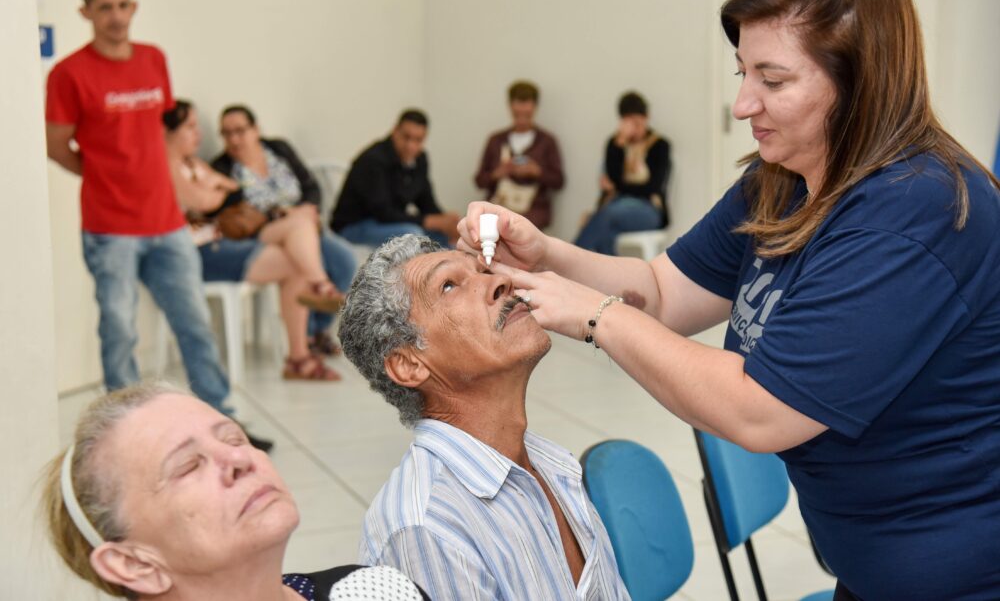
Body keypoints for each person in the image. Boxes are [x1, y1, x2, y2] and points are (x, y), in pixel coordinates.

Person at [458, 0, 1000, 600]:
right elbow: (661, 292)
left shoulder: (916, 210)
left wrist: (598, 316)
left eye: (773, 81)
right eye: (743, 73)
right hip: (873, 567)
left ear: (862, 81)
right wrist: (547, 254)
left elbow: (761, 410)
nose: (744, 104)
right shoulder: (781, 180)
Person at [44, 0, 270, 449]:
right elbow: (57, 145)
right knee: (120, 333)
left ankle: (222, 422)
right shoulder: (69, 74)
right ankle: (126, 441)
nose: (116, 16)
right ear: (86, 13)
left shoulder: (153, 60)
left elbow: (160, 137)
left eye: (123, 5)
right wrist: (103, 173)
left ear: (133, 7)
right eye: (104, 7)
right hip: (110, 228)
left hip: (166, 222)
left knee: (194, 325)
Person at [339, 235, 630, 601]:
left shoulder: (551, 464)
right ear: (409, 364)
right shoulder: (427, 527)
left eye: (482, 270)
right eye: (449, 285)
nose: (501, 282)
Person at [41, 383, 430, 600]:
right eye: (189, 466)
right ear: (135, 564)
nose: (239, 460)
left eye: (233, 438)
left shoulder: (377, 592)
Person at [164, 101, 339, 381]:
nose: (198, 134)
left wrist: (216, 187)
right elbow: (204, 200)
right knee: (300, 242)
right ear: (169, 132)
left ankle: (299, 356)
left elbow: (231, 188)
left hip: (220, 243)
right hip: (198, 253)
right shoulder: (167, 164)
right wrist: (213, 188)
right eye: (190, 127)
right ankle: (319, 289)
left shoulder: (192, 163)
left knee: (298, 253)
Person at [211, 104, 357, 358]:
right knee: (304, 253)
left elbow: (310, 185)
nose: (233, 139)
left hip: (304, 229)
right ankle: (318, 295)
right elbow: (232, 215)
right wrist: (281, 215)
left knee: (343, 259)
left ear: (255, 129)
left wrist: (308, 209)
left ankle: (317, 329)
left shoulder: (279, 149)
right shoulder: (223, 168)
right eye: (226, 133)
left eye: (239, 131)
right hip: (265, 236)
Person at [330, 110, 460, 247]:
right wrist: (430, 221)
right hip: (354, 225)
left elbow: (426, 201)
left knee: (443, 235)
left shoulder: (420, 159)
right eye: (406, 137)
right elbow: (383, 212)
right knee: (412, 234)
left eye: (418, 140)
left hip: (390, 222)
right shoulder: (373, 160)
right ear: (395, 131)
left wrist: (445, 221)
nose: (411, 145)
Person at [574, 91, 671, 255]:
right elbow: (613, 178)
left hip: (648, 209)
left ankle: (571, 261)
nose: (634, 128)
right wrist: (619, 146)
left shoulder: (660, 145)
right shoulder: (615, 144)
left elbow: (653, 187)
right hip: (616, 206)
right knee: (606, 231)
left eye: (637, 122)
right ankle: (605, 279)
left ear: (646, 118)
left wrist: (619, 187)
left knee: (605, 216)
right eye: (629, 122)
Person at [474, 80, 565, 229]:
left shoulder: (547, 141)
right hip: (499, 205)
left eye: (526, 110)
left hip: (533, 209)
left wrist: (536, 172)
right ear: (510, 106)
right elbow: (479, 181)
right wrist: (498, 173)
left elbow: (559, 181)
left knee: (517, 228)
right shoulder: (496, 140)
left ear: (535, 107)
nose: (522, 114)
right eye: (518, 110)